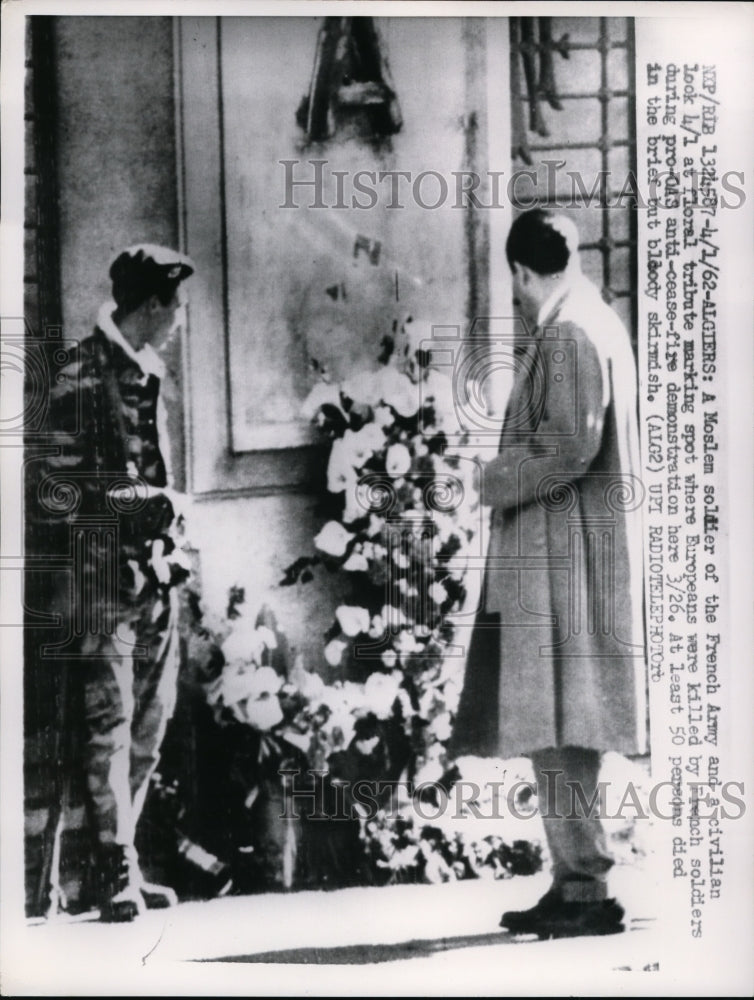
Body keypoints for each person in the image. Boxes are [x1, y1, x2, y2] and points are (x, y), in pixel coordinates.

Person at [450, 209, 646, 939]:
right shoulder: (596, 320)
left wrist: (492, 478)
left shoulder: (567, 333)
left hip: (562, 562)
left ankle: (586, 888)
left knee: (560, 726)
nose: (519, 296)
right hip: (576, 556)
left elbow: (568, 449)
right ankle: (574, 879)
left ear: (523, 273)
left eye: (517, 285)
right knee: (560, 726)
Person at [34, 244, 195, 921]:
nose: (181, 318)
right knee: (107, 726)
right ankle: (113, 869)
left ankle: (120, 858)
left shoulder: (149, 371)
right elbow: (55, 488)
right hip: (99, 580)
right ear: (151, 305)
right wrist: (146, 502)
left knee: (148, 727)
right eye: (175, 304)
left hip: (153, 577)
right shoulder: (78, 370)